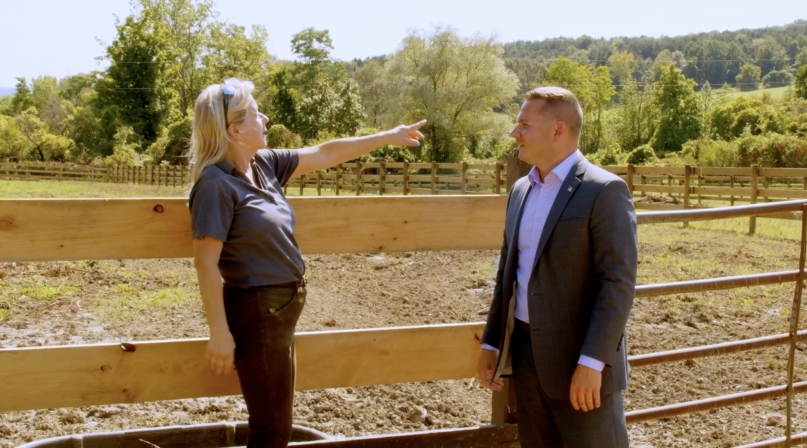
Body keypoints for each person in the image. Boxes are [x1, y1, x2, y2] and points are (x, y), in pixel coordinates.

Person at [188, 78, 424, 448]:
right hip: (257, 311)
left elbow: (327, 153)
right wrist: (219, 334)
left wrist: (386, 136)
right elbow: (205, 264)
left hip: (279, 309)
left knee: (276, 422)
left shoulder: (262, 165)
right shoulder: (215, 185)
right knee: (272, 429)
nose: (264, 118)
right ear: (234, 130)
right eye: (255, 113)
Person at [476, 86, 637, 447]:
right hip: (528, 360)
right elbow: (508, 273)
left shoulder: (605, 190)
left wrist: (592, 362)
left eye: (523, 124)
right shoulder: (520, 189)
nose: (514, 133)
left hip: (581, 366)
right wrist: (492, 342)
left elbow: (618, 283)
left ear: (557, 130)